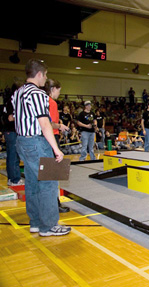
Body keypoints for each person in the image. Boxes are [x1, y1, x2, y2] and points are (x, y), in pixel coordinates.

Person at [11, 59, 71, 236]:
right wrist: (56, 149)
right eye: (45, 75)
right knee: (49, 183)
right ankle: (49, 225)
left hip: (22, 141)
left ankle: (36, 222)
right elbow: (45, 124)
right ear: (39, 74)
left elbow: (16, 118)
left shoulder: (18, 93)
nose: (45, 79)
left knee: (32, 183)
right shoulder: (38, 94)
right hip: (37, 142)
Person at [45, 79, 70, 213]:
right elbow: (50, 123)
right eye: (58, 91)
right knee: (54, 172)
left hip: (43, 139)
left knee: (46, 173)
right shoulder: (51, 103)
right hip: (52, 137)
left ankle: (49, 202)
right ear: (53, 89)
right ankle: (55, 203)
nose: (58, 94)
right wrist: (60, 126)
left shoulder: (41, 100)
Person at [3, 88, 24, 186]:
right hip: (11, 131)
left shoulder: (12, 101)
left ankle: (12, 178)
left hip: (12, 131)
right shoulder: (11, 102)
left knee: (13, 156)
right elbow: (11, 118)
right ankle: (15, 179)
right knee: (13, 156)